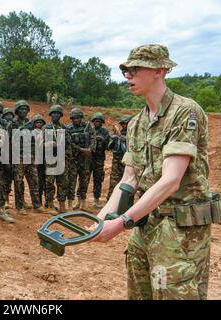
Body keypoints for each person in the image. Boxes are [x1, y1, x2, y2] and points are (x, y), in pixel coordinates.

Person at [93, 44, 220, 300]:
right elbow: (129, 179)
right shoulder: (138, 122)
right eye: (126, 70)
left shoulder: (185, 112)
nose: (128, 75)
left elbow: (171, 180)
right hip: (147, 226)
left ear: (160, 71)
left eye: (135, 69)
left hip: (181, 233)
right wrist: (101, 218)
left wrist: (122, 222)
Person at [11, 100, 47, 215]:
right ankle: (20, 206)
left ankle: (36, 204)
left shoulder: (30, 123)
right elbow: (8, 142)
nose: (24, 111)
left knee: (34, 181)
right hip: (18, 156)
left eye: (26, 109)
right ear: (17, 111)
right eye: (22, 109)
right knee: (19, 182)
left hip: (30, 156)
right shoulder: (12, 124)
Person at [43, 105, 72, 214]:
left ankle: (62, 205)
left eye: (58, 113)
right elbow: (39, 144)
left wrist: (67, 157)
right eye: (53, 113)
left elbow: (69, 144)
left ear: (60, 115)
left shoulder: (65, 128)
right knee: (49, 182)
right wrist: (49, 144)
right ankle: (50, 204)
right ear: (50, 115)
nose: (55, 115)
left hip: (62, 159)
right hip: (50, 158)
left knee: (63, 182)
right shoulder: (46, 128)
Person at [67, 108, 96, 210]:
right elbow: (69, 142)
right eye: (74, 118)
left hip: (85, 159)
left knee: (84, 181)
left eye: (78, 118)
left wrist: (90, 149)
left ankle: (82, 202)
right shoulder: (68, 129)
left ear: (81, 118)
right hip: (73, 159)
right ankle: (70, 203)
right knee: (71, 182)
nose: (76, 120)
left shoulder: (88, 127)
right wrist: (81, 149)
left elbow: (93, 139)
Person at [83, 112, 110, 208]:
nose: (97, 123)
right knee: (85, 179)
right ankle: (82, 200)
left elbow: (108, 147)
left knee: (98, 179)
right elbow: (84, 142)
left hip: (99, 159)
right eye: (95, 121)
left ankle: (96, 199)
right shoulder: (88, 130)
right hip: (88, 158)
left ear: (102, 122)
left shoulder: (105, 132)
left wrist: (102, 140)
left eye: (99, 121)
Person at [106, 115, 132, 200]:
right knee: (114, 182)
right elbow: (110, 148)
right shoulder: (118, 133)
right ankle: (110, 200)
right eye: (123, 124)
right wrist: (113, 139)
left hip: (128, 163)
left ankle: (125, 203)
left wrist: (127, 140)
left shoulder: (133, 134)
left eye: (126, 123)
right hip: (117, 162)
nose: (124, 125)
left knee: (128, 183)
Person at [31, 114, 47, 207]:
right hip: (36, 160)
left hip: (45, 160)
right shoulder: (31, 133)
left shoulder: (45, 132)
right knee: (37, 182)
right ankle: (38, 201)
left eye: (40, 122)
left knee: (46, 182)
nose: (39, 124)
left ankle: (47, 201)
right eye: (37, 122)